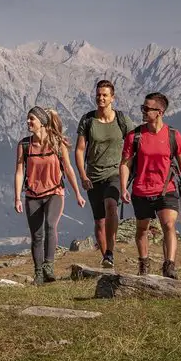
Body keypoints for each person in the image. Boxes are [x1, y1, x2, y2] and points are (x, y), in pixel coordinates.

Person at [119, 92, 181, 279]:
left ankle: (169, 266)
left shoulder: (174, 136)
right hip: (141, 190)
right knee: (142, 229)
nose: (143, 111)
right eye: (143, 107)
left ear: (160, 112)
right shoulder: (134, 136)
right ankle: (144, 264)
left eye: (147, 108)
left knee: (169, 224)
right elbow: (125, 163)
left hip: (167, 189)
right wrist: (123, 187)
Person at [14, 106, 86, 284]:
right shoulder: (24, 145)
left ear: (42, 122)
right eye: (28, 118)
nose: (28, 122)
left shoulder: (56, 143)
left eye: (32, 119)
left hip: (54, 192)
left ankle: (49, 265)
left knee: (50, 225)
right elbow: (19, 172)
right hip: (32, 195)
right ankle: (39, 272)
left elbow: (68, 169)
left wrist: (77, 193)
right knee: (36, 235)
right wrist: (17, 197)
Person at [75, 79, 133, 269]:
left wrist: (130, 167)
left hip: (115, 173)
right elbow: (80, 150)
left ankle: (110, 251)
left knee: (111, 206)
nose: (101, 98)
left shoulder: (121, 120)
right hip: (93, 176)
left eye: (105, 95)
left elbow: (135, 141)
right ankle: (106, 259)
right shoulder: (88, 120)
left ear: (112, 98)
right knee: (99, 222)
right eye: (98, 94)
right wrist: (83, 175)